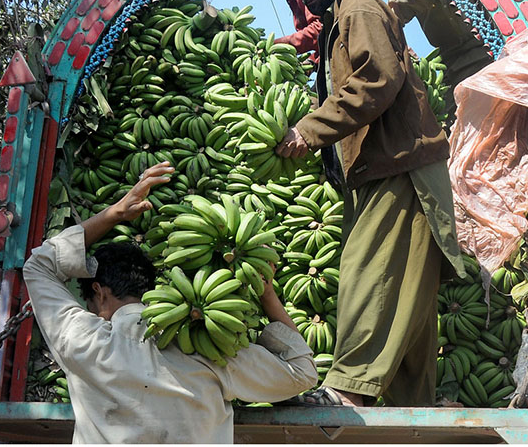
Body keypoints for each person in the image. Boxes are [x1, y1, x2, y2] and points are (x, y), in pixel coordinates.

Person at [274, 0, 466, 408]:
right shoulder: (339, 19)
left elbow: (377, 78)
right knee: (409, 300)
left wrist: (309, 130)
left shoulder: (358, 8)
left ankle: (347, 388)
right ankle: (409, 406)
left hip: (399, 167)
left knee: (368, 273)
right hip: (384, 168)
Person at [23, 162, 317, 443]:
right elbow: (303, 372)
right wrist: (266, 292)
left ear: (99, 292)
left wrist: (115, 213)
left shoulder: (84, 344)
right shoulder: (211, 351)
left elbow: (39, 266)